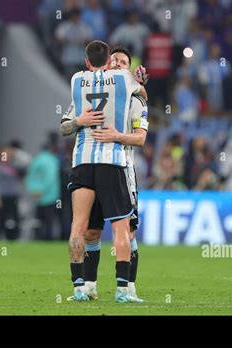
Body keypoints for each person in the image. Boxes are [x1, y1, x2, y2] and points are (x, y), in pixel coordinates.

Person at [60, 40, 145, 302]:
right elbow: (142, 87)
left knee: (83, 226)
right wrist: (79, 121)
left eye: (123, 62)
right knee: (106, 228)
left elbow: (141, 136)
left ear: (86, 62)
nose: (118, 64)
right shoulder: (124, 80)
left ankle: (89, 286)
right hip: (111, 162)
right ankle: (108, 288)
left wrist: (85, 123)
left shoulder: (77, 81)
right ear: (108, 61)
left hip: (89, 162)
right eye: (115, 60)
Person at [25, 142, 61, 240]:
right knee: (50, 220)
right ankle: (48, 238)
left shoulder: (36, 160)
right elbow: (51, 178)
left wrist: (34, 191)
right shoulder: (52, 160)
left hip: (37, 196)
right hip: (50, 196)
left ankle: (38, 238)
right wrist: (43, 190)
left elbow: (29, 177)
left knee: (38, 220)